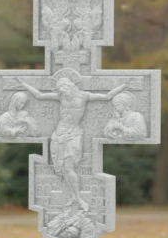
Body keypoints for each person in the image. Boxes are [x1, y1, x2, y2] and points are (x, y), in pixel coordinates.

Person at [18, 74, 127, 212]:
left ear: (70, 85)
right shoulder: (60, 97)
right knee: (63, 169)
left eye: (63, 87)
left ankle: (78, 198)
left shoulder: (84, 96)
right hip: (59, 135)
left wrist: (123, 86)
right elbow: (39, 95)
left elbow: (107, 97)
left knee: (68, 167)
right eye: (59, 88)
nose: (61, 90)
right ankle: (74, 197)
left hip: (73, 134)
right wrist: (24, 85)